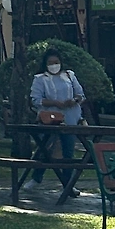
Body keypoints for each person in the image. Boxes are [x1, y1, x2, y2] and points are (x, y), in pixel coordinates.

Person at [23, 49, 84, 196]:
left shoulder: (69, 75)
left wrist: (74, 100)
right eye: (50, 63)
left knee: (68, 152)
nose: (54, 65)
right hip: (49, 120)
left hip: (70, 119)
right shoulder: (40, 79)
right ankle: (36, 178)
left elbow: (80, 94)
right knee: (45, 149)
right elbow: (36, 100)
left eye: (56, 62)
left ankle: (68, 184)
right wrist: (55, 103)